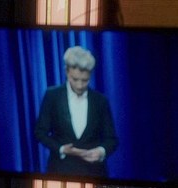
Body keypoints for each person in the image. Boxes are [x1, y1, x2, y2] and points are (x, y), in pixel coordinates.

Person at [34, 45, 118, 178]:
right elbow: (40, 132)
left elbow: (112, 140)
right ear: (67, 72)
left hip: (94, 172)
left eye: (85, 80)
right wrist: (62, 149)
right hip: (60, 171)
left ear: (90, 74)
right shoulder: (52, 96)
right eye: (75, 79)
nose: (80, 85)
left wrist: (101, 151)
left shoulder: (101, 101)